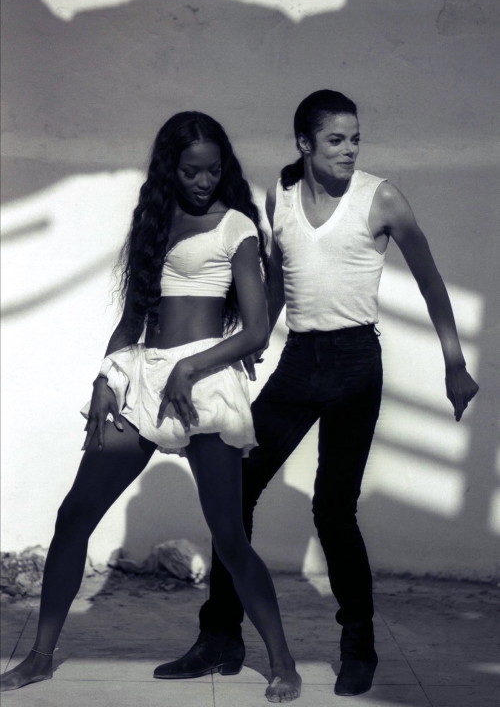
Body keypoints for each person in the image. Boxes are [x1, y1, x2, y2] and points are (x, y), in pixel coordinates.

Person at [154, 91, 479, 697]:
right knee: (239, 489)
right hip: (301, 362)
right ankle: (221, 634)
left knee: (332, 508)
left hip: (357, 363)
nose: (350, 150)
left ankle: (359, 642)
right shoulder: (279, 196)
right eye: (336, 140)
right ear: (304, 143)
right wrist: (255, 337)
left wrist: (454, 364)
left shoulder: (381, 198)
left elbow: (432, 283)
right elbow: (281, 277)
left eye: (356, 139)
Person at [0, 112, 302, 703]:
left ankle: (284, 662)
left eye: (214, 169)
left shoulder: (235, 225)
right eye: (191, 170)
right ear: (170, 169)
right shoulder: (155, 223)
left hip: (205, 382)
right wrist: (104, 380)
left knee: (229, 539)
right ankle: (39, 657)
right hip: (143, 378)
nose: (203, 180)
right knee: (73, 517)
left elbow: (258, 329)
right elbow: (133, 320)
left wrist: (191, 366)